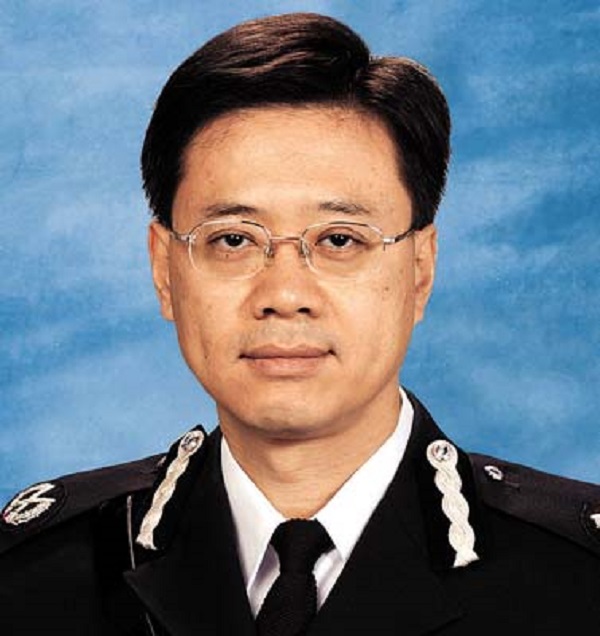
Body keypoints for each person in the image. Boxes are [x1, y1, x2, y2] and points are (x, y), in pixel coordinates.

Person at [1, 12, 598, 635]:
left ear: (420, 269)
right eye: (232, 239)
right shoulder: (34, 580)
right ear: (164, 270)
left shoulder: (577, 582)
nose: (284, 295)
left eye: (340, 239)